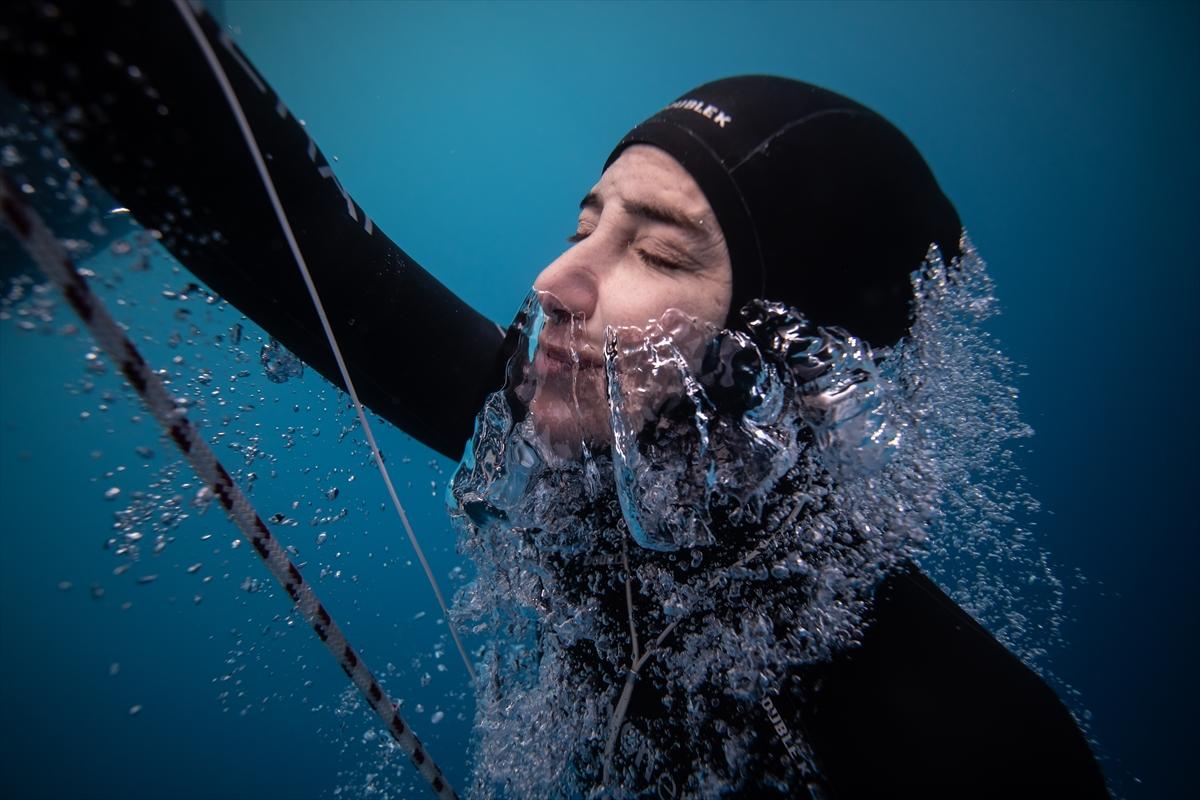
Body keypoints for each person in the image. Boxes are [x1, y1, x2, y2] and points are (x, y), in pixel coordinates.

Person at [0, 2, 1107, 797]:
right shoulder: (571, 457)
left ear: (793, 343)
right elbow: (320, 259)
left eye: (657, 251)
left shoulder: (979, 745)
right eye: (588, 224)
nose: (551, 281)